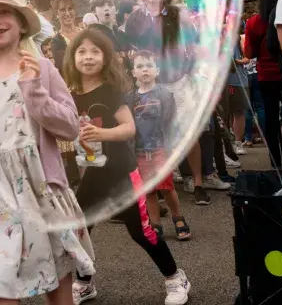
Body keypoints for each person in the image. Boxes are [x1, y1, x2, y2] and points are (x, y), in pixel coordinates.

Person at [0, 0, 95, 304]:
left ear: (21, 24)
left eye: (5, 12)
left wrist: (35, 92)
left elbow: (70, 128)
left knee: (56, 288)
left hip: (42, 194)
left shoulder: (42, 69)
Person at [64, 32, 191, 305]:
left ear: (106, 57)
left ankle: (175, 277)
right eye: (82, 51)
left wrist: (100, 133)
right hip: (92, 174)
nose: (88, 56)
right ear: (72, 58)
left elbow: (128, 128)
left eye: (95, 51)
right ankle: (84, 282)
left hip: (122, 172)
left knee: (141, 230)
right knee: (80, 227)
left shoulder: (111, 92)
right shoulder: (70, 94)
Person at [124, 0, 206, 204]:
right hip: (151, 85)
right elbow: (130, 48)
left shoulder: (177, 14)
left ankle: (198, 183)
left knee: (187, 132)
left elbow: (193, 44)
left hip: (177, 80)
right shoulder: (135, 20)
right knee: (155, 136)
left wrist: (191, 71)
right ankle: (162, 186)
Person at [129, 50, 190, 242]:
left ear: (156, 70)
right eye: (139, 66)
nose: (144, 70)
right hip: (139, 151)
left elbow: (170, 122)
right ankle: (155, 222)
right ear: (133, 73)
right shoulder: (130, 98)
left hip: (160, 149)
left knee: (167, 187)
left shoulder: (164, 94)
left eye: (148, 65)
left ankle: (177, 216)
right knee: (148, 190)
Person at [244, 0, 282, 168]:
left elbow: (249, 53)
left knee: (271, 117)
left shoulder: (253, 23)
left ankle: (275, 161)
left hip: (266, 74)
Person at [48, 0, 81, 72]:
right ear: (57, 14)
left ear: (75, 11)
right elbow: (64, 66)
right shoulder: (56, 40)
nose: (67, 13)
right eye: (63, 10)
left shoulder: (86, 33)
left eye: (70, 9)